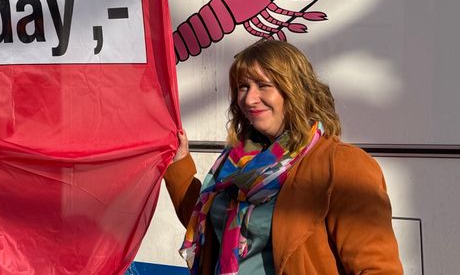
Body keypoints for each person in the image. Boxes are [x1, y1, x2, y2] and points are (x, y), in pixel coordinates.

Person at [166, 39, 402, 274]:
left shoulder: (343, 165)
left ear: (294, 90)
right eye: (243, 87)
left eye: (263, 85)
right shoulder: (237, 160)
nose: (249, 99)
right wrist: (178, 164)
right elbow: (206, 226)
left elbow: (378, 269)